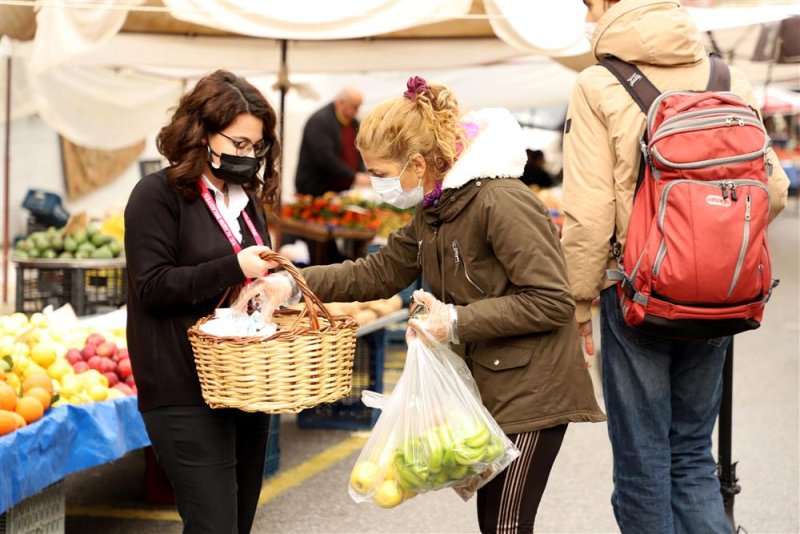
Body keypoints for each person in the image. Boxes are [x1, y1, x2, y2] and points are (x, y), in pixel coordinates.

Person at [263, 76, 605, 532]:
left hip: (535, 388)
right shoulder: (436, 206)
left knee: (506, 524)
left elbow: (551, 301)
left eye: (382, 174)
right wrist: (293, 284)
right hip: (491, 383)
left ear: (419, 162)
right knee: (497, 523)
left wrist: (455, 320)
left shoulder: (500, 201)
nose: (378, 185)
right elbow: (379, 271)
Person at [561, 1, 790, 533]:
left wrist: (578, 299)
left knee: (643, 462)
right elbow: (773, 191)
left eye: (589, 5)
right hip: (723, 295)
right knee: (691, 454)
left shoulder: (599, 83)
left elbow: (590, 212)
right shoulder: (728, 77)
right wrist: (715, 248)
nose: (586, 15)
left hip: (639, 293)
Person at [124, 70, 280, 533]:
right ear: (200, 133)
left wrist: (270, 288)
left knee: (238, 524)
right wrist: (234, 267)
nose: (247, 155)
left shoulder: (247, 203)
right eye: (238, 143)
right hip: (181, 390)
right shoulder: (157, 196)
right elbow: (151, 286)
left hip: (243, 386)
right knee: (214, 525)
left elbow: (252, 281)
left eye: (255, 147)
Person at [295, 87, 371, 197]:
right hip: (316, 190)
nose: (357, 111)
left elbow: (359, 152)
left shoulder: (354, 123)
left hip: (341, 189)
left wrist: (360, 173)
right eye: (354, 107)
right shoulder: (319, 121)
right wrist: (354, 176)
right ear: (340, 103)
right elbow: (324, 158)